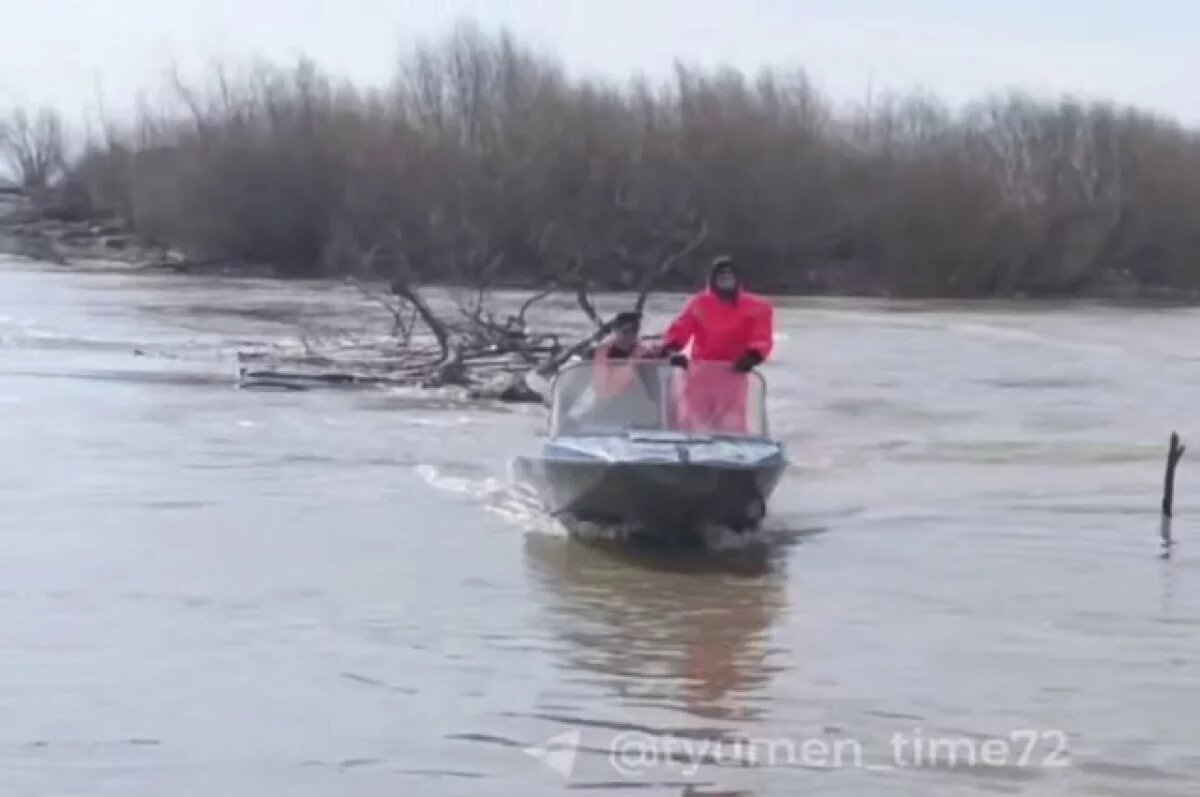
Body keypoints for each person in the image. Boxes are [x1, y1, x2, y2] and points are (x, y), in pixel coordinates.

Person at [657, 256, 774, 433]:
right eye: (720, 276)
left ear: (737, 279)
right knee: (695, 419)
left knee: (732, 420)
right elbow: (681, 328)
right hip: (700, 374)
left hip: (734, 373)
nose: (725, 279)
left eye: (729, 275)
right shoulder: (699, 304)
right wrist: (671, 349)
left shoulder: (758, 307)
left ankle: (734, 444)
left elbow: (761, 337)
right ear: (712, 279)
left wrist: (753, 356)